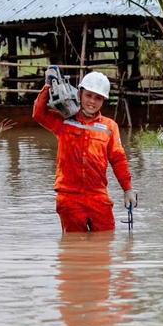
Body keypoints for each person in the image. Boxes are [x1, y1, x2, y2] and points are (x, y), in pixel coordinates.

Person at [33, 70, 137, 232]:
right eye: (88, 95)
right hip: (69, 197)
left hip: (98, 197)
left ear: (104, 101)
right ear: (79, 94)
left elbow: (118, 160)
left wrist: (128, 190)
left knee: (105, 243)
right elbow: (39, 114)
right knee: (73, 248)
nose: (92, 102)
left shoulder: (109, 127)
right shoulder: (64, 121)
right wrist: (47, 85)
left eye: (98, 98)